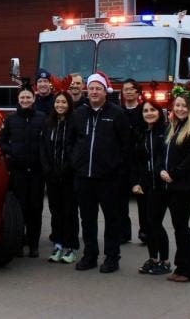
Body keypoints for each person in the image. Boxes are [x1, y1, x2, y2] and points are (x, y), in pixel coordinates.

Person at [68, 72, 132, 273]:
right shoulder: (78, 114)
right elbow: (71, 142)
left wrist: (116, 167)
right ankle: (90, 255)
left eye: (98, 88)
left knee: (112, 219)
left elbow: (126, 145)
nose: (94, 92)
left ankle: (112, 257)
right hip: (84, 177)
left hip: (108, 179)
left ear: (105, 91)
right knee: (87, 219)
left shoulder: (116, 114)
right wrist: (76, 162)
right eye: (92, 88)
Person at [162, 89, 190, 282]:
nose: (179, 109)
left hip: (185, 186)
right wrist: (163, 171)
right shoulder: (174, 127)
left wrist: (174, 174)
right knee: (179, 226)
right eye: (177, 105)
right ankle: (181, 266)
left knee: (182, 227)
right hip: (174, 184)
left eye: (183, 106)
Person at [0, 88, 46, 257]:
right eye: (22, 97)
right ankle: (18, 244)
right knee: (19, 209)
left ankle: (34, 245)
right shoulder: (11, 119)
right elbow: (2, 141)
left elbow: (47, 142)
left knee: (35, 208)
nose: (25, 100)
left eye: (28, 97)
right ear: (18, 100)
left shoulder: (42, 118)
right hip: (17, 171)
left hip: (36, 172)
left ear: (33, 99)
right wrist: (11, 152)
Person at [131, 100, 170, 275]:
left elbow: (166, 158)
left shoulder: (166, 132)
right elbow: (137, 161)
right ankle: (153, 258)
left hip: (160, 185)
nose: (148, 113)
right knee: (147, 224)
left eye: (152, 110)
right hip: (144, 185)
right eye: (145, 111)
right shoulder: (141, 134)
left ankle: (165, 261)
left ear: (159, 112)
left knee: (156, 223)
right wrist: (137, 181)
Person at [40, 92, 79, 264]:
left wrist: (66, 168)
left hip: (69, 176)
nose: (60, 105)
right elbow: (43, 148)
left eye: (64, 102)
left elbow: (77, 149)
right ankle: (58, 244)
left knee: (69, 211)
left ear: (69, 104)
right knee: (56, 212)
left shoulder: (74, 124)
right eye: (58, 102)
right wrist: (48, 168)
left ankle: (71, 247)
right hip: (52, 176)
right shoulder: (49, 124)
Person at [120, 78, 145, 243]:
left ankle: (145, 232)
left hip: (140, 160)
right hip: (122, 161)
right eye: (125, 89)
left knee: (143, 200)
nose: (128, 92)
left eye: (131, 89)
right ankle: (123, 232)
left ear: (137, 92)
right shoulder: (118, 112)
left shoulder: (144, 111)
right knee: (121, 200)